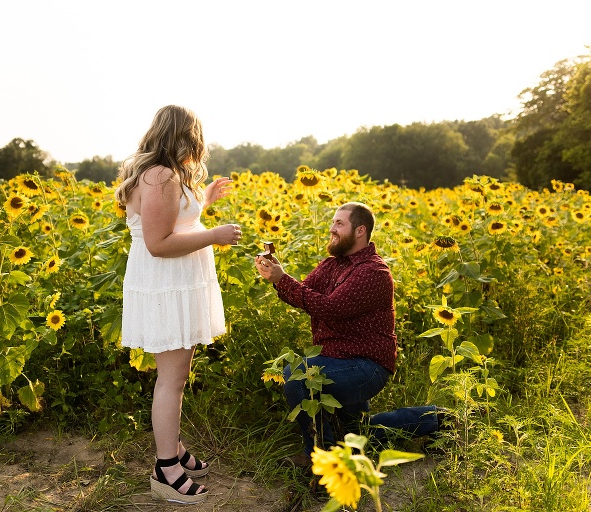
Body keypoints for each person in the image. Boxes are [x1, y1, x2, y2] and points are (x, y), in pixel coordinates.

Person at [114, 105, 241, 504]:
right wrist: (214, 236)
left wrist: (204, 197)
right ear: (185, 136)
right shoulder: (160, 176)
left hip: (176, 284)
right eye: (195, 137)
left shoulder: (163, 173)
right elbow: (158, 243)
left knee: (177, 376)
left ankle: (173, 446)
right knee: (171, 380)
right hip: (166, 284)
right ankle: (166, 469)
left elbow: (174, 218)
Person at [254, 201, 443, 463]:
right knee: (357, 435)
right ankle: (437, 418)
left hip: (365, 368)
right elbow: (302, 295)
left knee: (296, 376)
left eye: (339, 224)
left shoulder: (373, 271)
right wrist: (276, 277)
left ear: (360, 231)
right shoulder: (332, 265)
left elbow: (330, 308)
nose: (332, 229)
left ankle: (322, 458)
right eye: (332, 222)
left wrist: (282, 279)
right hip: (336, 361)